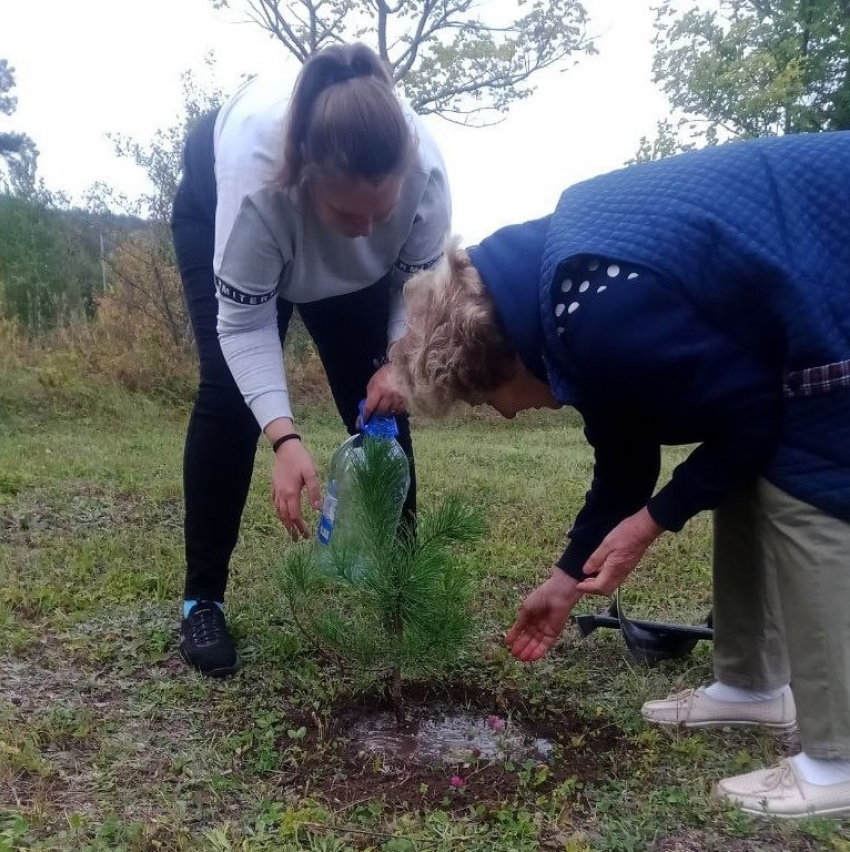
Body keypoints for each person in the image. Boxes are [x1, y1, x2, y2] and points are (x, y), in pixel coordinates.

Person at [390, 131, 850, 819]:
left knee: (803, 485)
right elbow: (626, 453)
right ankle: (754, 688)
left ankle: (838, 762)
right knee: (751, 477)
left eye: (490, 402)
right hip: (806, 277)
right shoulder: (555, 295)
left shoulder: (598, 311)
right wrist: (565, 578)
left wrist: (654, 521)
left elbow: (753, 414)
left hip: (832, 267)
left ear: (503, 361)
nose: (508, 417)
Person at [170, 43, 451, 677]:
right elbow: (242, 325)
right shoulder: (258, 186)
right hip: (217, 199)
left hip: (345, 255)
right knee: (227, 395)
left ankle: (395, 588)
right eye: (348, 213)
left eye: (380, 214)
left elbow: (420, 286)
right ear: (307, 179)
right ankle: (202, 600)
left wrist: (402, 361)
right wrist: (285, 437)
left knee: (378, 401)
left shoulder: (425, 175)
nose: (363, 228)